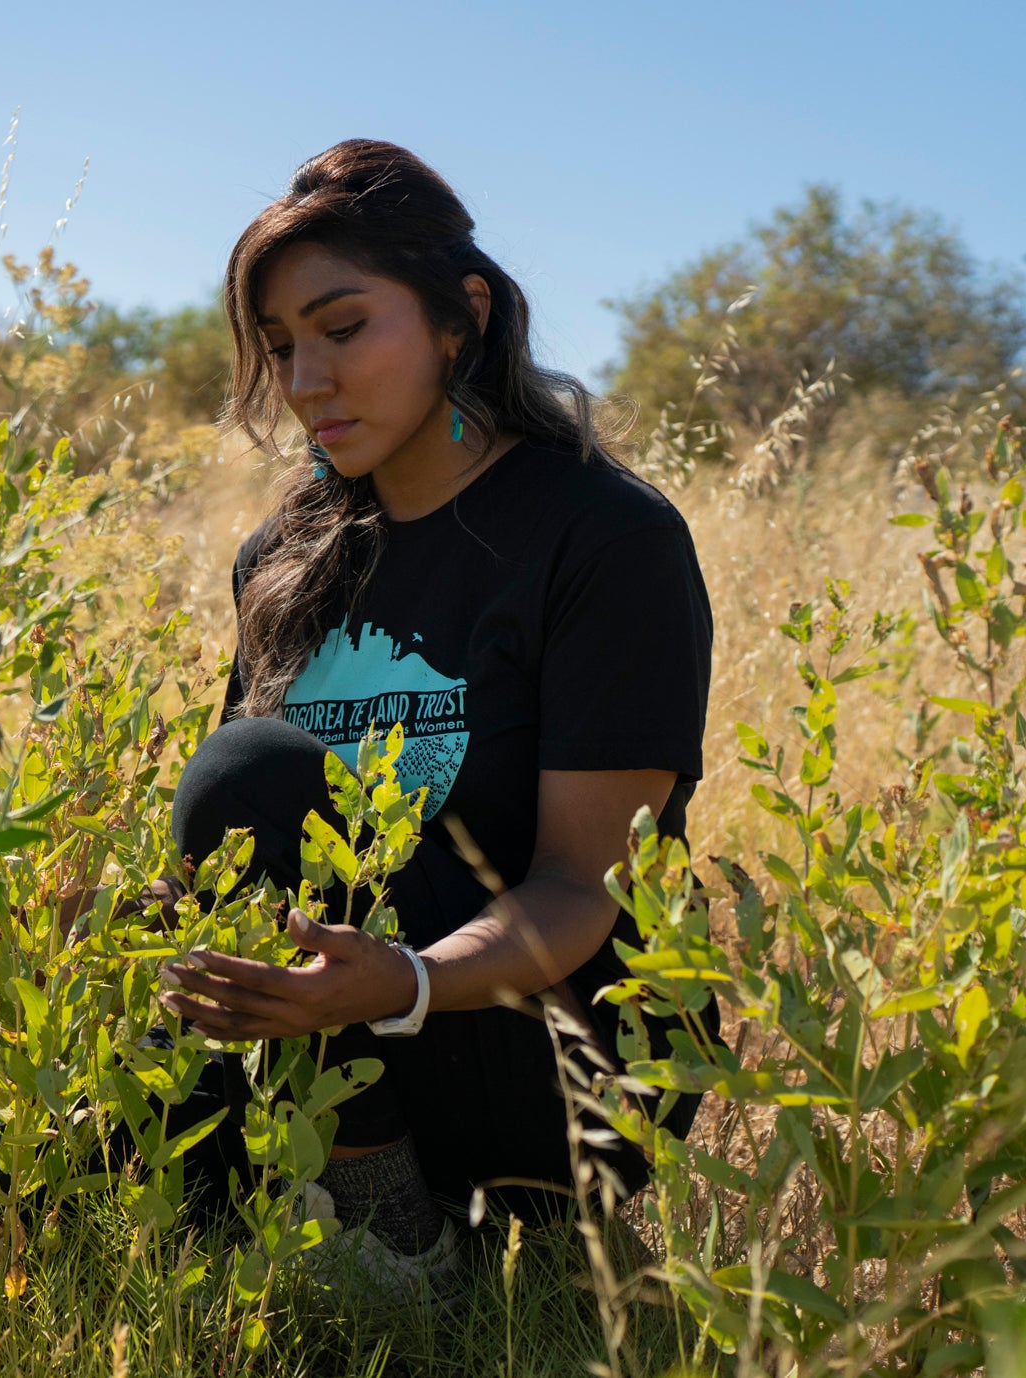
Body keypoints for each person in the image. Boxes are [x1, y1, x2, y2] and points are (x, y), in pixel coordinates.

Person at [151, 138, 715, 1295]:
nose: (304, 380)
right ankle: (298, 1194)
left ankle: (393, 1232)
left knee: (249, 771)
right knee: (82, 1087)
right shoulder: (287, 553)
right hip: (341, 1007)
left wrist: (397, 980)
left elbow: (580, 888)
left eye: (342, 328)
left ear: (461, 315)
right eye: (277, 348)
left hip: (555, 1044)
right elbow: (237, 856)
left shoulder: (602, 538)